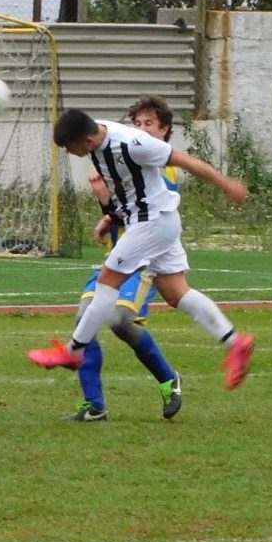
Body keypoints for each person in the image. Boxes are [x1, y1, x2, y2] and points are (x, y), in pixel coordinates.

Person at [30, 107, 256, 390]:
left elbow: (187, 161)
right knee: (176, 293)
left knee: (107, 282)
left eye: (68, 147)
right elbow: (128, 188)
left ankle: (74, 351)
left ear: (86, 141)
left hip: (151, 222)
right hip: (156, 220)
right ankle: (235, 342)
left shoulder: (134, 144)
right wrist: (112, 217)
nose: (67, 152)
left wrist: (228, 185)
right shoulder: (95, 134)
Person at [62, 96, 184, 421]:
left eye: (149, 123)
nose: (142, 128)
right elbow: (125, 208)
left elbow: (148, 211)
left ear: (165, 129)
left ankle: (169, 380)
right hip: (117, 256)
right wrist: (107, 213)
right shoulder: (120, 155)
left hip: (144, 261)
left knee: (119, 321)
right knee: (84, 319)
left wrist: (107, 204)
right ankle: (94, 405)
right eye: (138, 123)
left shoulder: (162, 165)